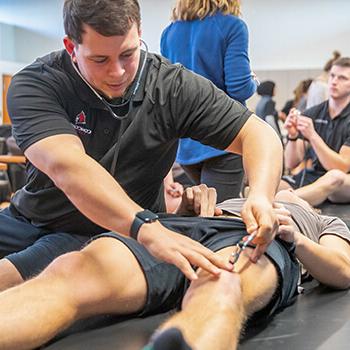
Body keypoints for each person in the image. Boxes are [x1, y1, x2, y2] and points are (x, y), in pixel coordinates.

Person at [0, 0, 282, 292]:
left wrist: (260, 194)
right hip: (31, 216)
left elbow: (259, 134)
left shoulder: (169, 85)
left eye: (128, 54)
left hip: (105, 232)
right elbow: (68, 167)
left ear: (139, 34)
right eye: (100, 60)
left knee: (12, 278)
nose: (118, 72)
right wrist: (147, 228)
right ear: (72, 48)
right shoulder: (37, 84)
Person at [0, 189, 349, 350]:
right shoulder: (247, 190)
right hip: (184, 228)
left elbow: (343, 270)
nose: (287, 188)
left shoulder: (320, 220)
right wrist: (188, 205)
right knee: (72, 269)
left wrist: (295, 237)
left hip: (262, 239)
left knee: (223, 286)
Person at [160, 0, 257, 202]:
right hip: (224, 138)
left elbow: (169, 90)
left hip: (186, 143)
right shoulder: (232, 26)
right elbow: (239, 88)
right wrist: (253, 82)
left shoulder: (169, 33)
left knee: (211, 209)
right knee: (220, 217)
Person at [281, 57, 350, 206]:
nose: (334, 81)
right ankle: (282, 199)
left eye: (342, 78)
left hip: (344, 181)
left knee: (334, 177)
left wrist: (312, 136)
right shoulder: (312, 113)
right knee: (275, 184)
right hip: (316, 177)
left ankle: (287, 201)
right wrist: (292, 136)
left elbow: (342, 167)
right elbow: (291, 163)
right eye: (332, 76)